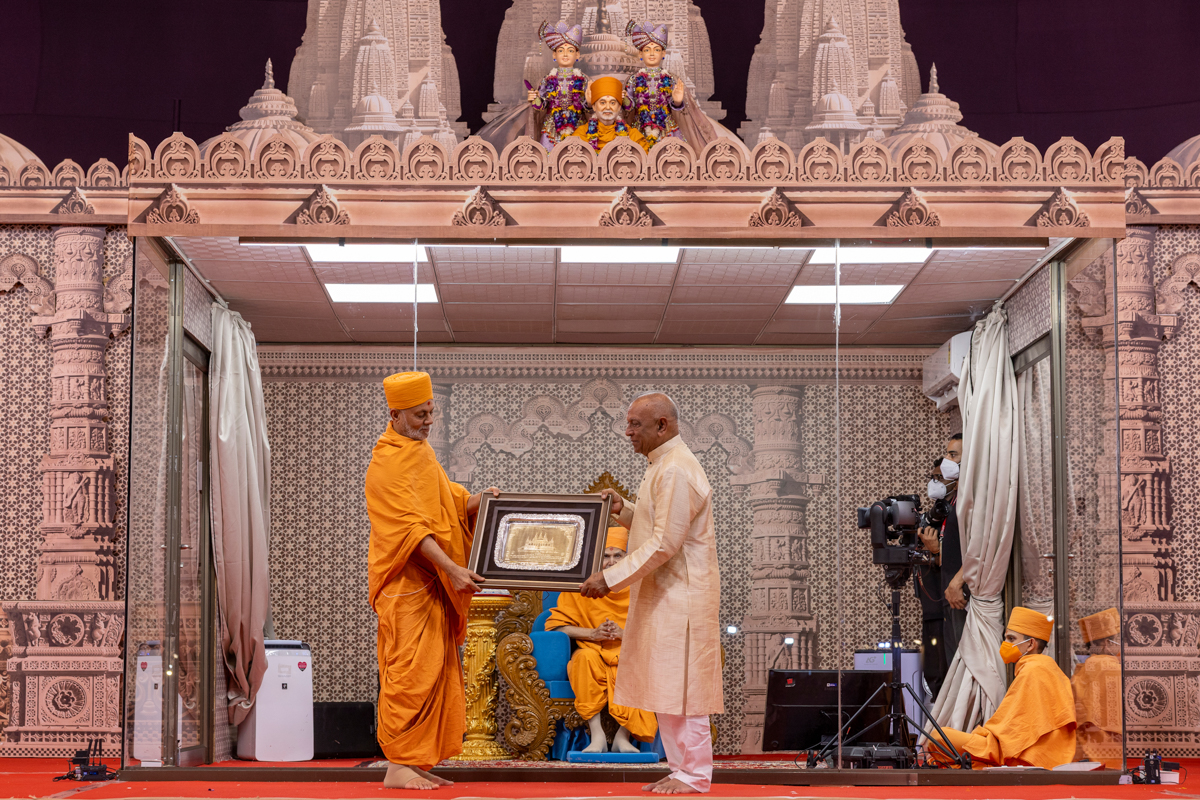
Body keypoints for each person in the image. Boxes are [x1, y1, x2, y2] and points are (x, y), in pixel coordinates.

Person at [579, 393, 722, 794]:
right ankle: (681, 770)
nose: (628, 432)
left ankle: (694, 776)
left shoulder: (675, 469)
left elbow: (664, 543)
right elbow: (654, 521)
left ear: (662, 425)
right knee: (666, 687)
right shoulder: (662, 465)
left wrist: (608, 578)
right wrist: (622, 507)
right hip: (665, 595)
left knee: (685, 691)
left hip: (682, 598)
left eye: (635, 425)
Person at [365, 371, 500, 790]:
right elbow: (411, 531)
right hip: (407, 587)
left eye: (431, 413)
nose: (429, 422)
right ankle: (397, 765)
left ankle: (415, 760)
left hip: (433, 588)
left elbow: (451, 502)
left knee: (435, 671)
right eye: (420, 415)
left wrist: (483, 501)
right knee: (409, 673)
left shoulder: (422, 455)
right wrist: (454, 569)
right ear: (395, 414)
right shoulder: (385, 463)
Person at [545, 527, 658, 754]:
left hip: (629, 652)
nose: (611, 562)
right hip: (593, 650)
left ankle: (621, 737)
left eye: (618, 555)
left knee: (635, 664)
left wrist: (625, 634)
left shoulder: (642, 588)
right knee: (583, 659)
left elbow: (659, 628)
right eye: (606, 556)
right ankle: (596, 736)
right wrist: (592, 634)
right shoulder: (584, 587)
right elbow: (555, 627)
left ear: (629, 558)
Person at [925, 607, 1076, 769]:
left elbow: (1010, 733)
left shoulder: (1033, 670)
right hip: (1043, 752)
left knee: (937, 736)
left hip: (1025, 753)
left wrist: (982, 737)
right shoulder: (1046, 667)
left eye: (1011, 639)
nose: (1006, 644)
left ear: (1030, 644)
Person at [623, 21, 718, 150]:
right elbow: (629, 107)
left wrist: (678, 102)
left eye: (656, 50)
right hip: (640, 130)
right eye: (647, 50)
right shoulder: (633, 80)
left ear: (663, 54)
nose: (652, 54)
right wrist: (625, 99)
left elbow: (679, 109)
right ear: (640, 54)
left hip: (667, 131)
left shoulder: (671, 79)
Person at [919, 434, 968, 665]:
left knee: (963, 659)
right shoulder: (951, 504)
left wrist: (957, 583)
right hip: (950, 594)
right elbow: (949, 558)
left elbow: (978, 552)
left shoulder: (969, 500)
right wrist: (936, 551)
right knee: (952, 660)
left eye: (952, 454)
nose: (947, 459)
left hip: (962, 594)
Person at [1072, 608, 1122, 768]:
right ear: (1108, 643)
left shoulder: (1086, 665)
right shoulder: (1108, 665)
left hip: (1083, 741)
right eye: (1118, 640)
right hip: (1106, 740)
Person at [914, 457, 947, 701]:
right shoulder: (932, 518)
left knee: (944, 671)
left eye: (939, 477)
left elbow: (962, 560)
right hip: (930, 608)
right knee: (933, 670)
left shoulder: (956, 514)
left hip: (948, 607)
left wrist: (936, 550)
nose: (934, 482)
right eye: (932, 477)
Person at [528, 21, 589, 150]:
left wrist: (590, 101)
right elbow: (541, 105)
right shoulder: (547, 79)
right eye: (561, 50)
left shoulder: (584, 79)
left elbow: (588, 107)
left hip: (577, 126)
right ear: (554, 55)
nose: (565, 54)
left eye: (570, 50)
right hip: (551, 128)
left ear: (577, 55)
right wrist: (535, 99)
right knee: (549, 162)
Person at [571, 77, 651, 153]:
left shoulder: (633, 136)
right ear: (594, 107)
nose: (608, 107)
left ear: (619, 107)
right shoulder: (580, 135)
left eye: (613, 103)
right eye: (603, 102)